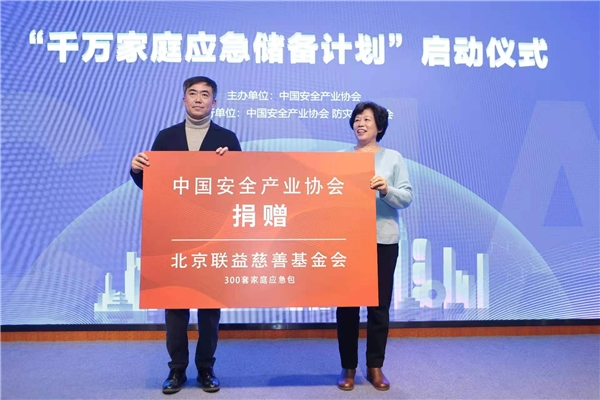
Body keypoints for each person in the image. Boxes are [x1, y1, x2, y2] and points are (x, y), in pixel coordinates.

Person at [130, 76, 241, 395]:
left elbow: (241, 185)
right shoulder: (166, 137)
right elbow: (153, 185)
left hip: (211, 233)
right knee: (175, 305)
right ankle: (176, 369)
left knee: (209, 307)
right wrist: (137, 169)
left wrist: (231, 165)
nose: (198, 99)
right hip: (174, 232)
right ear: (183, 100)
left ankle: (206, 368)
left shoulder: (227, 139)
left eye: (205, 95)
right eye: (192, 93)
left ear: (214, 103)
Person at [336, 101, 413, 391]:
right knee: (347, 306)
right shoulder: (340, 158)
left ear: (379, 127)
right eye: (357, 119)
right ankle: (348, 367)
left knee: (379, 307)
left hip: (382, 239)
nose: (360, 123)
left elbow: (406, 197)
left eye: (367, 119)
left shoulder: (393, 158)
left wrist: (386, 190)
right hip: (348, 241)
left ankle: (375, 366)